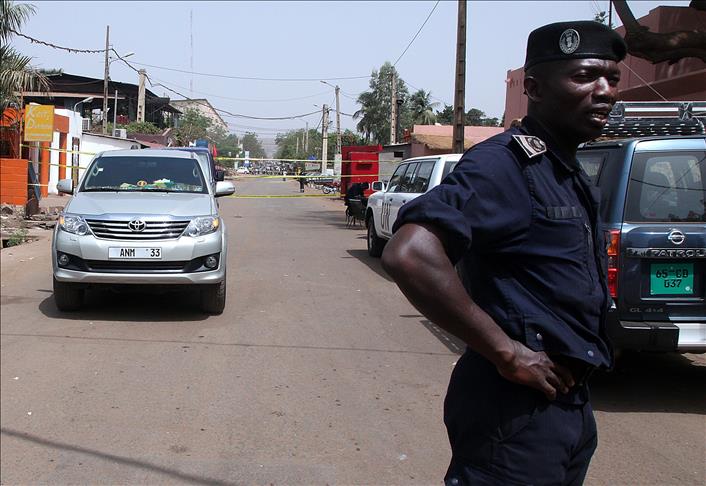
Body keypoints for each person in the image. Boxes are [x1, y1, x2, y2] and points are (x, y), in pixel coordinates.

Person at [381, 21, 626, 485]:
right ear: (533, 88)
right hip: (514, 413)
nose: (604, 91)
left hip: (564, 405)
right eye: (584, 77)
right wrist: (507, 353)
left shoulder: (564, 169)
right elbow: (410, 253)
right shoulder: (506, 164)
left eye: (612, 79)